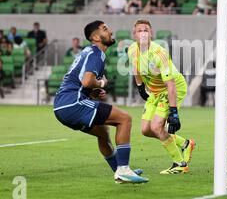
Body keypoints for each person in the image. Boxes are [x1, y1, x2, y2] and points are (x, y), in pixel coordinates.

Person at [54, 20, 148, 184]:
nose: (110, 31)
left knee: (103, 133)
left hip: (62, 106)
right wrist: (101, 83)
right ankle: (124, 169)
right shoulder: (96, 53)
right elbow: (86, 81)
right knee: (124, 119)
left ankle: (118, 171)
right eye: (105, 29)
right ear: (96, 37)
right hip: (73, 103)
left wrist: (93, 91)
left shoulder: (88, 52)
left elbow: (78, 81)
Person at [128, 19, 195, 174]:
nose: (143, 33)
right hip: (155, 91)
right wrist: (140, 87)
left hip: (172, 88)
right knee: (146, 130)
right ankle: (185, 144)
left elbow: (171, 85)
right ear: (134, 35)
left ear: (151, 33)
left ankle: (180, 163)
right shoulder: (131, 49)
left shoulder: (159, 53)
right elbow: (136, 68)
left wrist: (173, 112)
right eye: (140, 30)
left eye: (146, 30)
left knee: (157, 127)